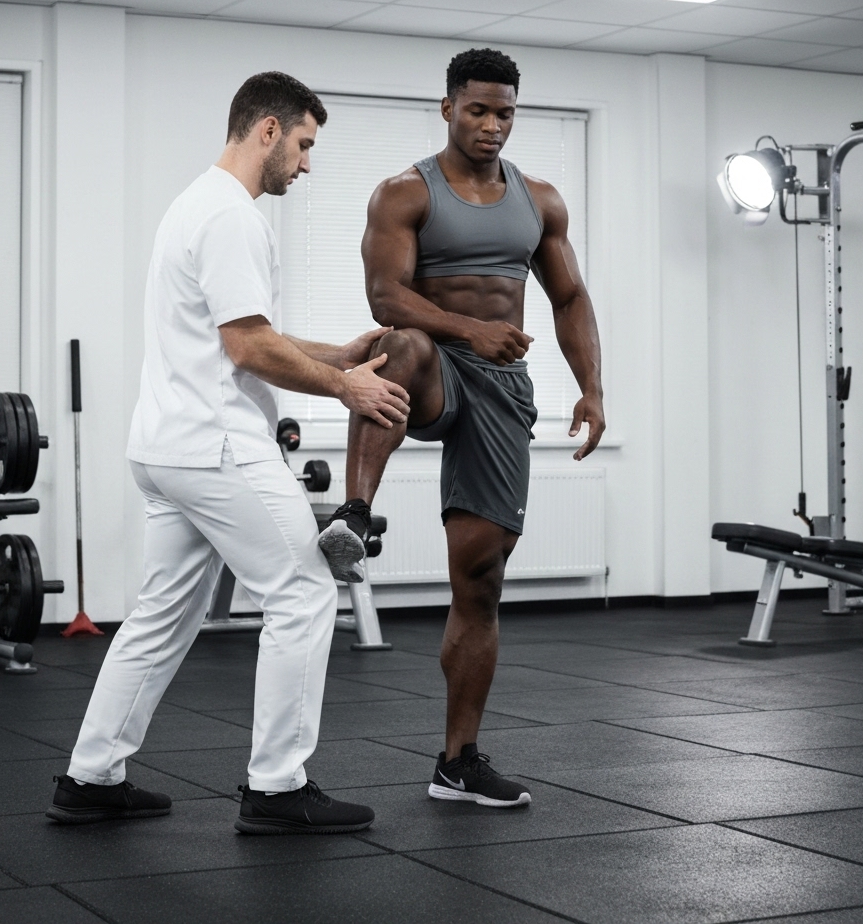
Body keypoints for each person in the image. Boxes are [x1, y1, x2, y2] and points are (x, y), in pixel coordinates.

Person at [47, 71, 410, 834]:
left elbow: (243, 334)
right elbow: (246, 347)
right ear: (268, 130)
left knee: (160, 617)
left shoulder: (194, 204)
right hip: (217, 447)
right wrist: (344, 390)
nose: (306, 165)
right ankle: (278, 788)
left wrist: (337, 356)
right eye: (305, 145)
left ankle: (90, 776)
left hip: (165, 446)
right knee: (306, 591)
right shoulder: (233, 217)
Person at [317, 49, 605, 808]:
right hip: (433, 370)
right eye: (476, 109)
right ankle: (355, 512)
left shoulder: (538, 200)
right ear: (447, 108)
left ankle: (457, 760)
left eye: (503, 112)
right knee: (397, 344)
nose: (490, 124)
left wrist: (592, 389)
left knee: (480, 580)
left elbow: (569, 297)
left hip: (503, 387)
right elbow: (386, 296)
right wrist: (468, 332)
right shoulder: (405, 193)